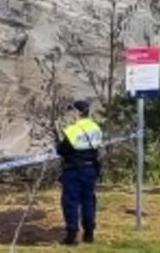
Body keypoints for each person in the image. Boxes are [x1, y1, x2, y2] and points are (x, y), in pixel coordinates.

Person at [57, 100, 103, 246]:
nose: (71, 114)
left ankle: (71, 235)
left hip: (74, 170)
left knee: (70, 201)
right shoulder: (95, 127)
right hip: (91, 169)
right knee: (88, 200)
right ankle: (89, 233)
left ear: (77, 113)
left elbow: (62, 150)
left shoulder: (73, 130)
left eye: (72, 111)